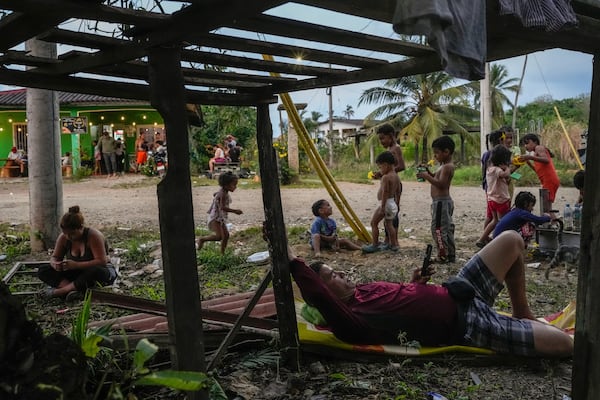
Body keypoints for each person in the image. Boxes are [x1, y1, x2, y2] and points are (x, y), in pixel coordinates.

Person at [281, 229, 573, 357]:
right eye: (333, 276)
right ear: (326, 293)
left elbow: (403, 302)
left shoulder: (363, 291)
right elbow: (316, 293)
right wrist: (290, 257)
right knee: (565, 344)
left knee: (511, 240)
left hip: (460, 290)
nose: (342, 274)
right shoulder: (350, 321)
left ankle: (523, 313)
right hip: (469, 325)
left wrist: (415, 283)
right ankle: (522, 325)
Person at [38, 206, 117, 301]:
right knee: (43, 270)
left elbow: (101, 262)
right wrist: (55, 264)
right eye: (65, 233)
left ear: (81, 228)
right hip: (79, 275)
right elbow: (55, 257)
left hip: (99, 272)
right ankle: (73, 289)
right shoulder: (63, 238)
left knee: (95, 271)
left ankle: (60, 292)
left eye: (72, 234)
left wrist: (77, 265)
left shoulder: (93, 236)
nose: (68, 237)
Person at [416, 136, 456, 263]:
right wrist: (428, 172)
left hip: (441, 203)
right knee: (446, 228)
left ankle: (442, 255)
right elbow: (437, 178)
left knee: (438, 229)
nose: (435, 156)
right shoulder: (444, 166)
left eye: (437, 153)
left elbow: (441, 184)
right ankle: (450, 254)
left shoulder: (447, 167)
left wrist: (426, 176)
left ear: (446, 152)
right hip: (441, 202)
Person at [362, 151, 401, 253]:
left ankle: (374, 244)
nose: (380, 170)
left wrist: (383, 207)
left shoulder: (386, 177)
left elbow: (385, 192)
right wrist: (397, 202)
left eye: (380, 167)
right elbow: (398, 191)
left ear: (386, 165)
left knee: (373, 223)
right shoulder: (396, 176)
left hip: (386, 203)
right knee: (389, 224)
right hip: (392, 203)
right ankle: (394, 244)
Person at [374, 124, 406, 247]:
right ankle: (388, 240)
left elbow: (401, 166)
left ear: (391, 136)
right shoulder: (390, 149)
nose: (381, 142)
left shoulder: (395, 149)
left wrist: (386, 173)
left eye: (383, 138)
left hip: (394, 184)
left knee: (392, 213)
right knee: (389, 213)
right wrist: (381, 173)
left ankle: (393, 241)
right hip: (391, 181)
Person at [197, 172, 243, 254]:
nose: (235, 187)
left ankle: (222, 254)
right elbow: (222, 207)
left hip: (220, 217)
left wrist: (216, 195)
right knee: (219, 236)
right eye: (234, 185)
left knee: (226, 236)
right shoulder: (223, 194)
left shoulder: (223, 192)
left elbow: (215, 195)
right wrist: (235, 211)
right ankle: (202, 239)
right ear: (226, 185)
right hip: (215, 217)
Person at [476, 145, 512, 248]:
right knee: (503, 222)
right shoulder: (497, 170)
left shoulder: (489, 169)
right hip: (501, 200)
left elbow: (503, 180)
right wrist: (508, 169)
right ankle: (499, 241)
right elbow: (505, 175)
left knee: (495, 220)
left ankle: (482, 238)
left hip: (491, 199)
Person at [518, 133, 560, 204]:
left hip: (549, 180)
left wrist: (529, 157)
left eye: (527, 143)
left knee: (546, 208)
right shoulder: (536, 153)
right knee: (546, 207)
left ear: (535, 142)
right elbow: (538, 170)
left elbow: (546, 160)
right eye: (524, 144)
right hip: (548, 181)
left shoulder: (538, 148)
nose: (526, 146)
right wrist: (528, 162)